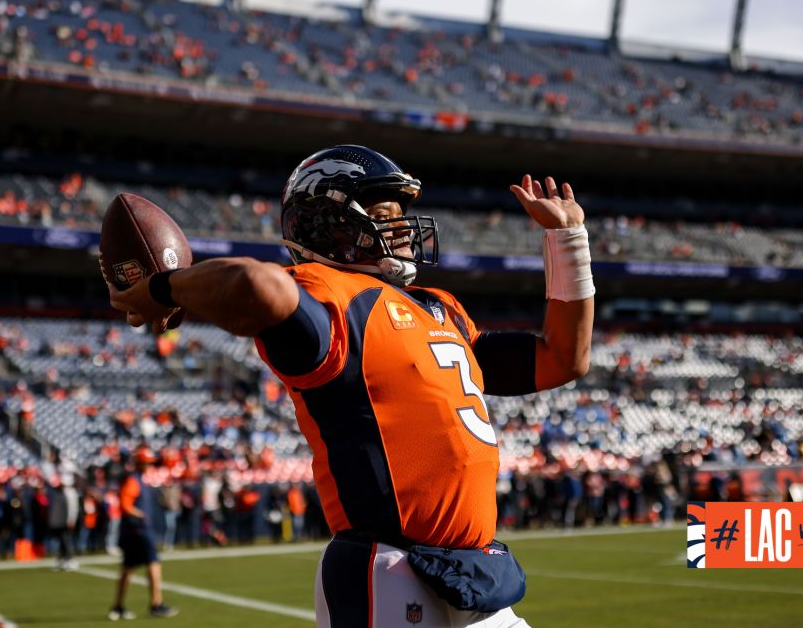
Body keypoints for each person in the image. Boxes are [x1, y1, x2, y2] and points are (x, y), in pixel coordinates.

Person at [108, 145, 594, 627]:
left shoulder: (439, 308)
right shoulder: (327, 292)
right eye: (384, 212)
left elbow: (562, 358)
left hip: (476, 574)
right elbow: (253, 288)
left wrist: (569, 239)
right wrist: (164, 286)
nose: (402, 226)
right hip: (389, 569)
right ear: (329, 223)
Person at [107, 448, 178, 620]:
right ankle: (156, 604)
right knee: (154, 564)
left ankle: (118, 606)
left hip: (134, 531)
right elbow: (125, 504)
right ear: (141, 463)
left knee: (128, 569)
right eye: (147, 463)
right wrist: (140, 515)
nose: (149, 466)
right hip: (138, 531)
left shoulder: (139, 480)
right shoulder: (133, 481)